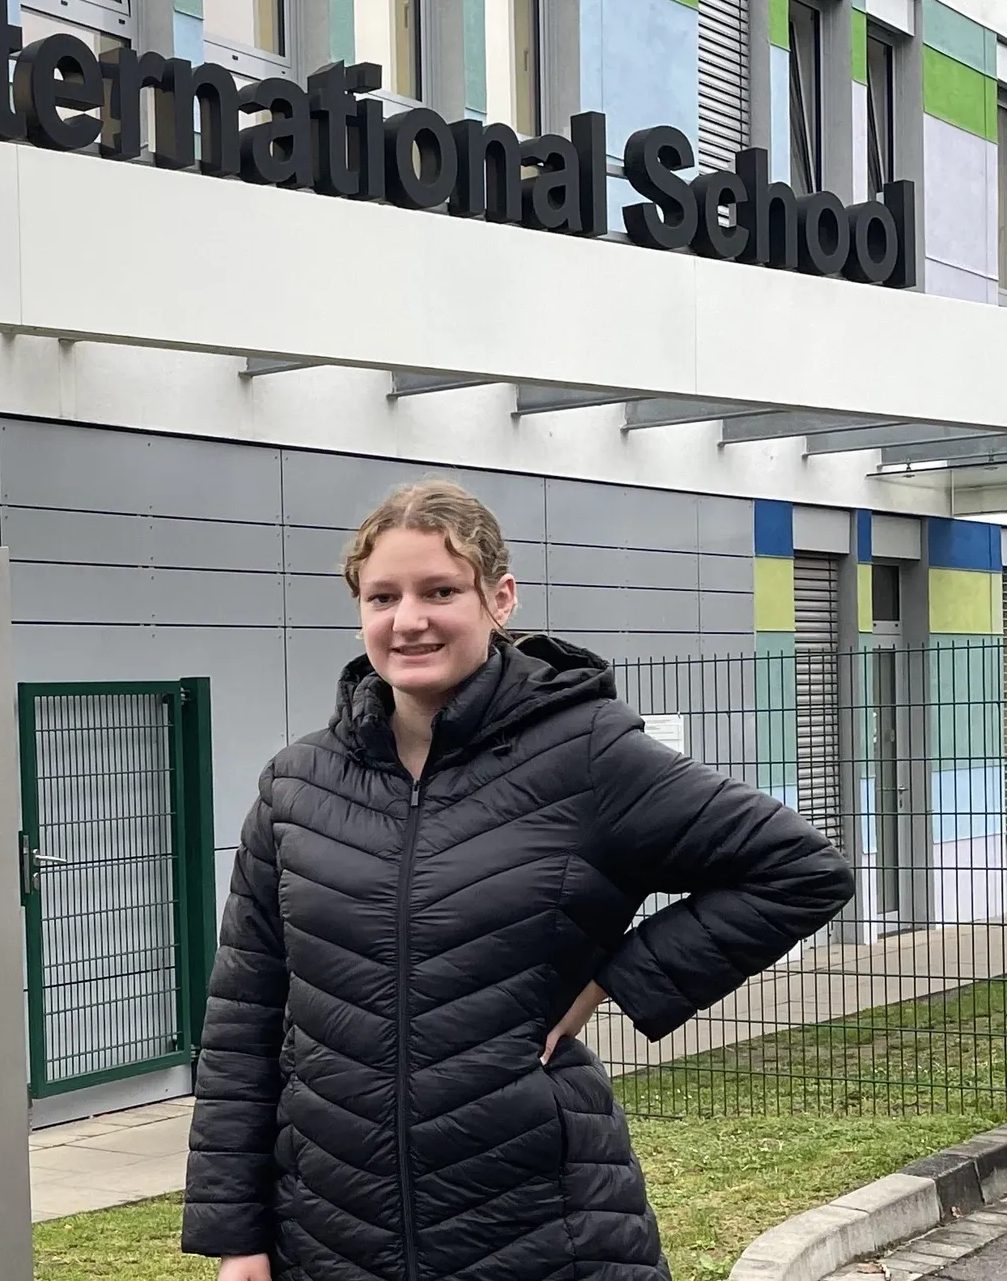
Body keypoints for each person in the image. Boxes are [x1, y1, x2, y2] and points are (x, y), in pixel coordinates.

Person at [181, 479, 856, 1281]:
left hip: (541, 1225)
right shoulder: (297, 785)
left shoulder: (588, 756)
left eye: (440, 591)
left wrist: (613, 981)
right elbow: (244, 1014)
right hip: (329, 1233)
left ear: (498, 598)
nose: (408, 620)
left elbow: (799, 870)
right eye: (382, 596)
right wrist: (237, 1236)